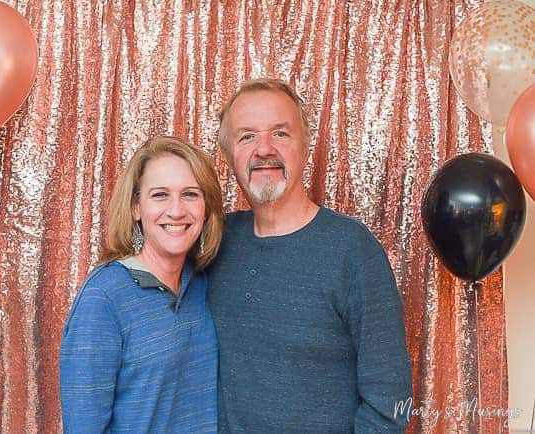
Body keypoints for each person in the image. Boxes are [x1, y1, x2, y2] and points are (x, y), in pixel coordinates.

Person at [207, 79, 413, 433]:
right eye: (246, 137)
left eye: (280, 133)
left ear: (305, 148)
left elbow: (390, 402)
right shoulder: (214, 241)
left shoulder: (353, 251)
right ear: (229, 157)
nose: (264, 149)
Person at [60, 136, 224, 433]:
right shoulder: (104, 298)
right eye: (160, 195)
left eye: (190, 194)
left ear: (206, 207)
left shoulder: (201, 282)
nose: (176, 210)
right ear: (136, 207)